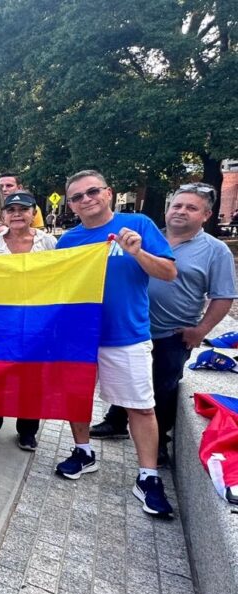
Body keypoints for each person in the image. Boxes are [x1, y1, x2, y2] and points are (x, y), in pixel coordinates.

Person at [54, 170, 177, 519]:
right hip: (79, 336)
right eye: (77, 197)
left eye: (92, 191)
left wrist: (137, 252)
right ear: (71, 205)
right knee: (76, 400)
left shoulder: (136, 224)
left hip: (126, 334)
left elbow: (168, 273)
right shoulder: (68, 240)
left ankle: (148, 476)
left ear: (108, 193)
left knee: (141, 407)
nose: (86, 199)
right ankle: (83, 451)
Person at [89, 183, 237, 467]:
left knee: (161, 388)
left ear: (206, 215)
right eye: (177, 206)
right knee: (128, 379)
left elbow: (223, 296)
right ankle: (116, 421)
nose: (181, 212)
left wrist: (200, 331)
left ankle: (158, 446)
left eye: (191, 208)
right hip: (130, 328)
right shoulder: (146, 234)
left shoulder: (215, 251)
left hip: (171, 333)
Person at [0, 192, 57, 451]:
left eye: (23, 209)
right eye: (11, 209)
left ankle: (27, 430)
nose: (17, 214)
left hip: (37, 321)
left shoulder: (48, 243)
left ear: (34, 213)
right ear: (4, 214)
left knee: (32, 377)